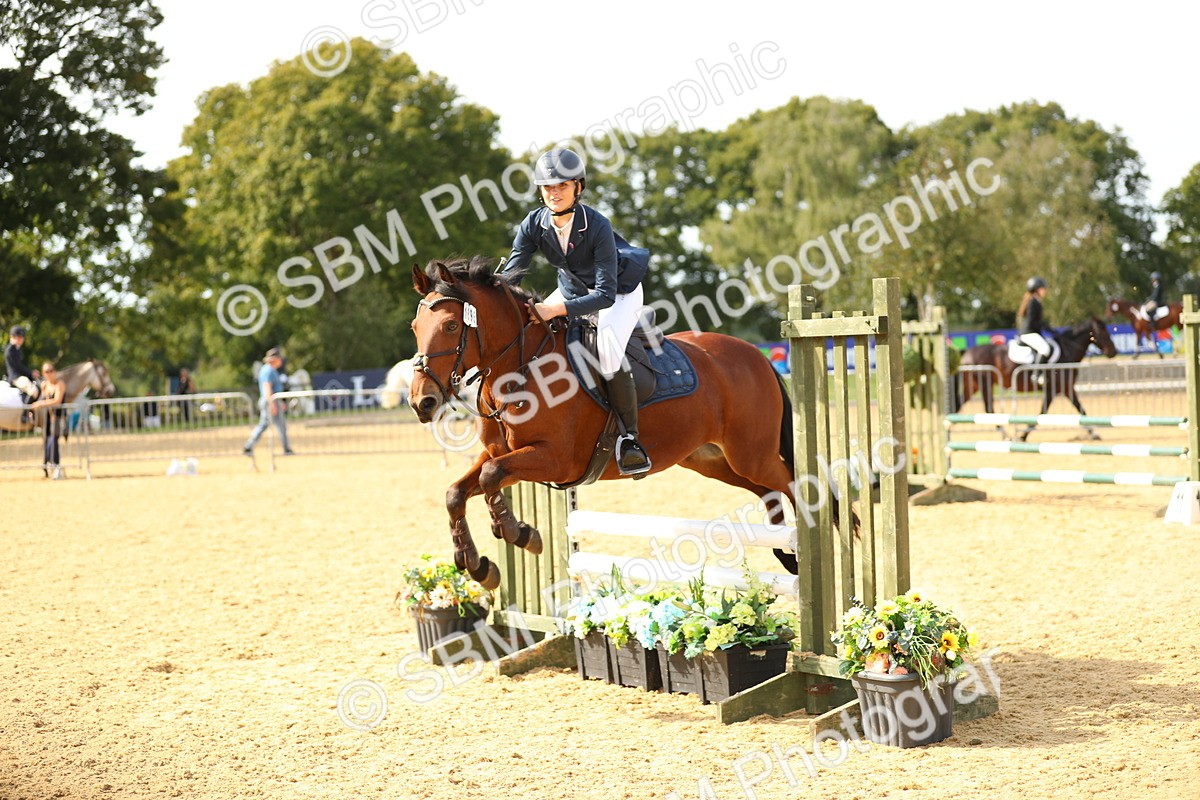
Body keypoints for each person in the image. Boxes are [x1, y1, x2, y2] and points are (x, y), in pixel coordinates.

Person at [500, 147, 652, 475]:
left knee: (607, 353)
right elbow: (511, 275)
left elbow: (604, 295)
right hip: (573, 289)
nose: (554, 193)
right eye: (548, 187)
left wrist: (555, 309)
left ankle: (630, 439)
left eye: (563, 186)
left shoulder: (596, 225)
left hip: (618, 293)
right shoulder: (533, 223)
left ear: (578, 187)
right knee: (532, 328)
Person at [243, 347, 294, 456]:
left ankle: (249, 446)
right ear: (274, 359)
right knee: (268, 425)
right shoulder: (268, 371)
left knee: (271, 425)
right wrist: (273, 403)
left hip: (272, 401)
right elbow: (267, 388)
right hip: (270, 401)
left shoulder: (270, 370)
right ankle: (249, 446)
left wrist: (279, 402)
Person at [29, 361, 66, 479]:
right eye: (46, 371)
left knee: (52, 441)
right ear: (43, 373)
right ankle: (47, 465)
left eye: (51, 370)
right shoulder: (44, 385)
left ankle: (56, 466)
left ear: (55, 371)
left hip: (58, 418)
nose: (49, 373)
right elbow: (42, 398)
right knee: (46, 442)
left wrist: (41, 403)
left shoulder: (60, 384)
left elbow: (57, 401)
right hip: (47, 418)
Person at [1017, 276, 1054, 370]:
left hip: (1032, 332)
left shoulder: (1035, 301)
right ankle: (1036, 374)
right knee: (1045, 349)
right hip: (1029, 333)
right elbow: (1032, 321)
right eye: (1043, 289)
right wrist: (1045, 327)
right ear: (1037, 290)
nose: (1045, 291)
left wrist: (1047, 327)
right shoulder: (1033, 302)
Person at [5, 325, 36, 402]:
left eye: (22, 337)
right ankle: (27, 409)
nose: (21, 339)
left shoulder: (18, 349)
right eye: (18, 337)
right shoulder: (11, 350)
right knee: (33, 391)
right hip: (15, 377)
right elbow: (18, 366)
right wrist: (31, 373)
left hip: (19, 375)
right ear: (12, 337)